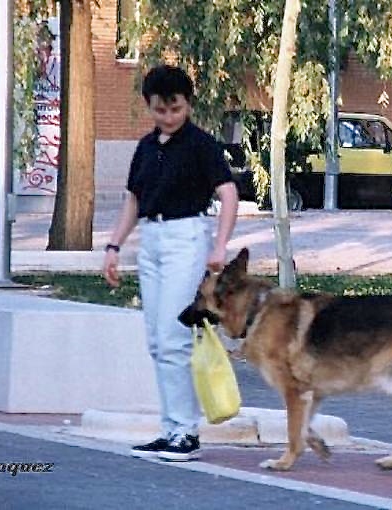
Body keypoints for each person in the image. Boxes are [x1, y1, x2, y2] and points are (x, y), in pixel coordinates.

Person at [102, 65, 238, 462]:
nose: (168, 117)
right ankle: (171, 429)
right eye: (160, 110)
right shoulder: (146, 147)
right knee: (157, 340)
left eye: (175, 109)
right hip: (152, 239)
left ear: (188, 104)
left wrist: (220, 245)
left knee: (175, 337)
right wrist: (113, 246)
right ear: (150, 107)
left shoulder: (201, 145)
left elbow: (227, 194)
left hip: (186, 238)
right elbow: (133, 200)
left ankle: (187, 433)